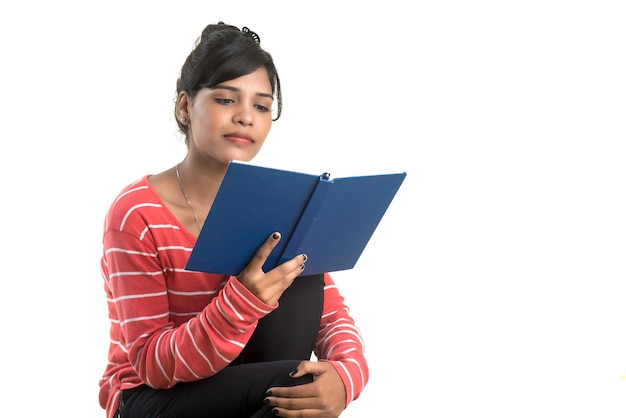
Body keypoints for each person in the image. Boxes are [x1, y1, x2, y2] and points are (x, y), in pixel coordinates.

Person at [98, 21, 369, 418]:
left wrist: (347, 377)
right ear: (185, 106)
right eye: (227, 100)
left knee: (299, 274)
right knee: (296, 387)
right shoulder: (137, 213)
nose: (246, 117)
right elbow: (151, 366)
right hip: (150, 399)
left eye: (261, 106)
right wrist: (243, 300)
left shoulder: (277, 205)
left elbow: (329, 315)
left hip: (246, 383)